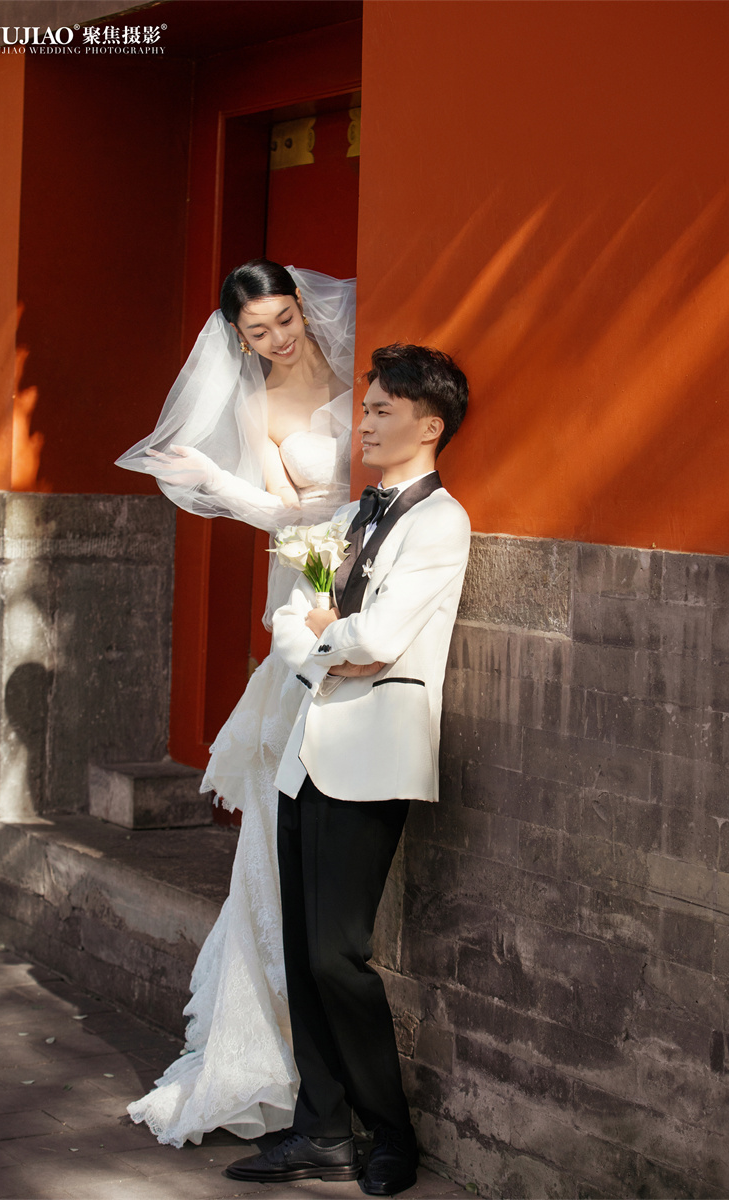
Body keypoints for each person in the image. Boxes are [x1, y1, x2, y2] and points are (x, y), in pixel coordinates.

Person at [115, 261, 355, 1146]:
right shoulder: (256, 405)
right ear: (238, 338)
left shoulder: (358, 355)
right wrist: (214, 484)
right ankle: (265, 1042)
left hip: (374, 583)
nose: (279, 339)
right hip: (314, 591)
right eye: (258, 332)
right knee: (281, 807)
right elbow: (287, 516)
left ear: (303, 308)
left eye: (286, 319)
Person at [225, 344, 470, 1196]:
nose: (362, 422)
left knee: (338, 955)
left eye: (381, 410)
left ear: (429, 425)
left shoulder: (441, 522)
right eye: (365, 408)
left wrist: (330, 636)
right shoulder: (351, 515)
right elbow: (289, 624)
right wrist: (332, 642)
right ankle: (322, 1133)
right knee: (303, 955)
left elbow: (382, 637)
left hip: (369, 761)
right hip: (306, 755)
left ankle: (391, 1134)